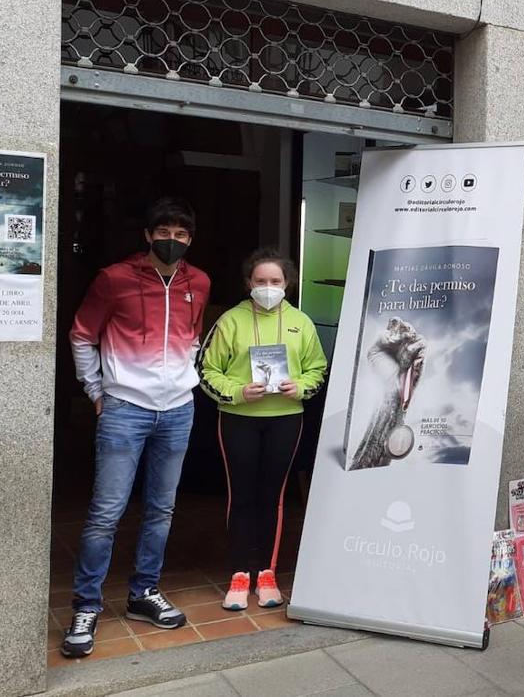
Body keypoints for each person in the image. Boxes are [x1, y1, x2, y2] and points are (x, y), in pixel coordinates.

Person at [62, 198, 211, 657]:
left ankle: (143, 592)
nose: (172, 241)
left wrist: (187, 380)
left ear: (190, 240)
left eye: (181, 235)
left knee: (161, 510)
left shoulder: (198, 282)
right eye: (164, 232)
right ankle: (86, 605)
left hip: (178, 409)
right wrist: (95, 393)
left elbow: (193, 339)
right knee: (106, 512)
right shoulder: (114, 279)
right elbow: (82, 335)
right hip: (125, 408)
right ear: (148, 236)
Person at [199, 248, 328, 611]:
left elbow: (317, 368)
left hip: (286, 419)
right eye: (260, 281)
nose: (268, 287)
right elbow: (207, 371)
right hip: (238, 418)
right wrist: (237, 392)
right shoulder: (230, 321)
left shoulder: (301, 322)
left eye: (275, 281)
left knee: (273, 495)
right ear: (248, 284)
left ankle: (267, 574)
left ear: (287, 284)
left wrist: (299, 387)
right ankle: (240, 573)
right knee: (241, 495)